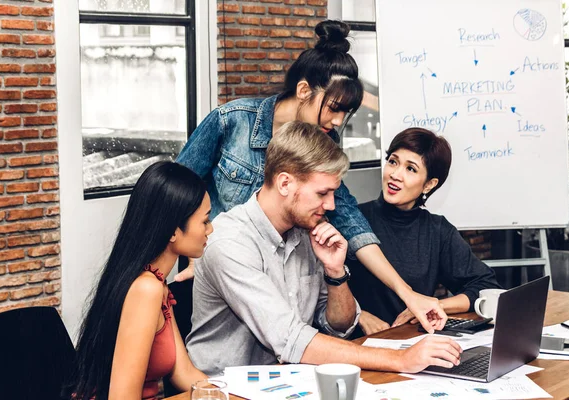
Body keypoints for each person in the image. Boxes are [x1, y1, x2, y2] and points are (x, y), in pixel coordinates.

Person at [176, 19, 446, 333]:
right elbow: (175, 191)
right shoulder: (231, 122)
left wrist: (407, 293)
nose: (336, 121)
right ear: (304, 90)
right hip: (220, 281)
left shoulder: (324, 144)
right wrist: (196, 248)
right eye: (333, 107)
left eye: (346, 112)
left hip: (281, 291)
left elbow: (350, 221)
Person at [186, 121, 462, 376]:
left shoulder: (308, 230)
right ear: (285, 183)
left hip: (288, 382)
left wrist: (335, 273)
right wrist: (399, 360)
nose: (331, 205)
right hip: (220, 389)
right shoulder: (230, 242)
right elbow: (290, 339)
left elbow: (340, 326)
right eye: (322, 193)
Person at [69, 162, 210, 400]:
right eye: (205, 221)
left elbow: (183, 372)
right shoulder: (146, 289)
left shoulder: (156, 283)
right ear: (174, 231)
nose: (210, 229)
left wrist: (233, 393)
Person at [347, 128, 502, 337]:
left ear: (429, 184)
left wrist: (430, 305)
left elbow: (484, 286)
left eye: (411, 169)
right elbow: (321, 288)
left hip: (412, 344)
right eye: (393, 161)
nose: (395, 174)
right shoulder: (353, 219)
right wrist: (360, 315)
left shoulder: (437, 231)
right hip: (356, 345)